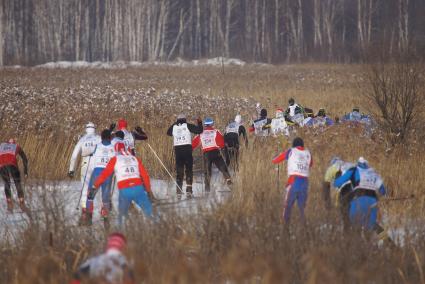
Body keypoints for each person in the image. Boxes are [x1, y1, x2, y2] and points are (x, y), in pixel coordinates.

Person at [93, 150, 155, 226]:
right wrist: (148, 191)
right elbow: (145, 176)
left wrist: (94, 186)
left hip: (125, 189)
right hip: (138, 188)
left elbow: (104, 175)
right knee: (149, 212)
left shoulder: (115, 159)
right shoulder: (135, 158)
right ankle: (156, 231)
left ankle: (124, 232)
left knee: (122, 217)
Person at [334, 157, 387, 231]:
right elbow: (383, 191)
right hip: (373, 200)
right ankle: (387, 240)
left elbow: (337, 183)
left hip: (358, 199)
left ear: (358, 163)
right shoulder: (373, 172)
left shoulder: (354, 170)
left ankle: (357, 242)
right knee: (372, 225)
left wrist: (337, 177)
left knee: (355, 224)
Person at [272, 137, 312, 225]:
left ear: (294, 145)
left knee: (288, 207)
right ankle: (305, 230)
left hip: (293, 181)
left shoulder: (291, 151)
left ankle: (285, 229)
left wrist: (274, 157)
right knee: (302, 208)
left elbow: (275, 161)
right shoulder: (308, 153)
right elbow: (311, 164)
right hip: (305, 182)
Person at [68, 122, 101, 222]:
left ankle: (85, 212)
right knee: (95, 188)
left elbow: (74, 156)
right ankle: (102, 210)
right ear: (94, 129)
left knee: (84, 188)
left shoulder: (82, 139)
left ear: (86, 129)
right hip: (96, 164)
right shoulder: (98, 138)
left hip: (85, 164)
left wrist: (71, 170)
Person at [85, 129, 116, 226]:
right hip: (108, 173)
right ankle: (106, 220)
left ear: (102, 137)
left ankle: (89, 218)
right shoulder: (113, 148)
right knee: (105, 197)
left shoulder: (97, 146)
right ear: (110, 138)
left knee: (90, 195)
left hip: (97, 172)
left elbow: (91, 156)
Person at [166, 114, 203, 196]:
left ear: (177, 120)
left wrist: (174, 124)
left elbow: (168, 133)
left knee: (179, 170)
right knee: (189, 169)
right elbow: (199, 131)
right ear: (185, 119)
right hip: (187, 149)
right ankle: (189, 190)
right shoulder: (188, 126)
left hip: (178, 150)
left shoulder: (174, 127)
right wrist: (199, 122)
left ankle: (178, 190)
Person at [192, 118, 232, 192]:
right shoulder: (216, 131)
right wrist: (223, 149)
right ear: (212, 124)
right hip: (215, 152)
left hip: (206, 154)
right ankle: (230, 183)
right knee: (223, 168)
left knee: (207, 171)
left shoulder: (200, 134)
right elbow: (221, 143)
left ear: (204, 124)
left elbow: (193, 144)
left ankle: (207, 189)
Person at [323, 157, 355, 228]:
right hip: (356, 191)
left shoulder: (332, 168)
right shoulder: (349, 164)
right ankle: (381, 233)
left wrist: (327, 202)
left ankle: (348, 235)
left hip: (344, 191)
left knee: (345, 216)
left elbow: (326, 186)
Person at [0, 138, 29, 213]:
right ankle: (22, 205)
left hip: (2, 166)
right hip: (13, 166)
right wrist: (25, 171)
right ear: (14, 142)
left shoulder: (1, 146)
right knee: (18, 184)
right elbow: (24, 158)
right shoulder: (16, 146)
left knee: (7, 184)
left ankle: (9, 206)